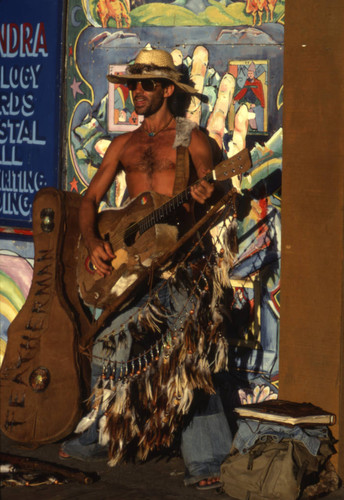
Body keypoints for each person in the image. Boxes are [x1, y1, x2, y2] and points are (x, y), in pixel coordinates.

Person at [59, 48, 232, 490]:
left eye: (147, 84)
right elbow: (90, 201)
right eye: (133, 85)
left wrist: (203, 197)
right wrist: (95, 241)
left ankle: (208, 457)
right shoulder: (124, 144)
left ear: (167, 90)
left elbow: (217, 197)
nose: (137, 92)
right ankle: (100, 437)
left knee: (188, 359)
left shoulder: (192, 140)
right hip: (130, 268)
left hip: (181, 264)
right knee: (106, 350)